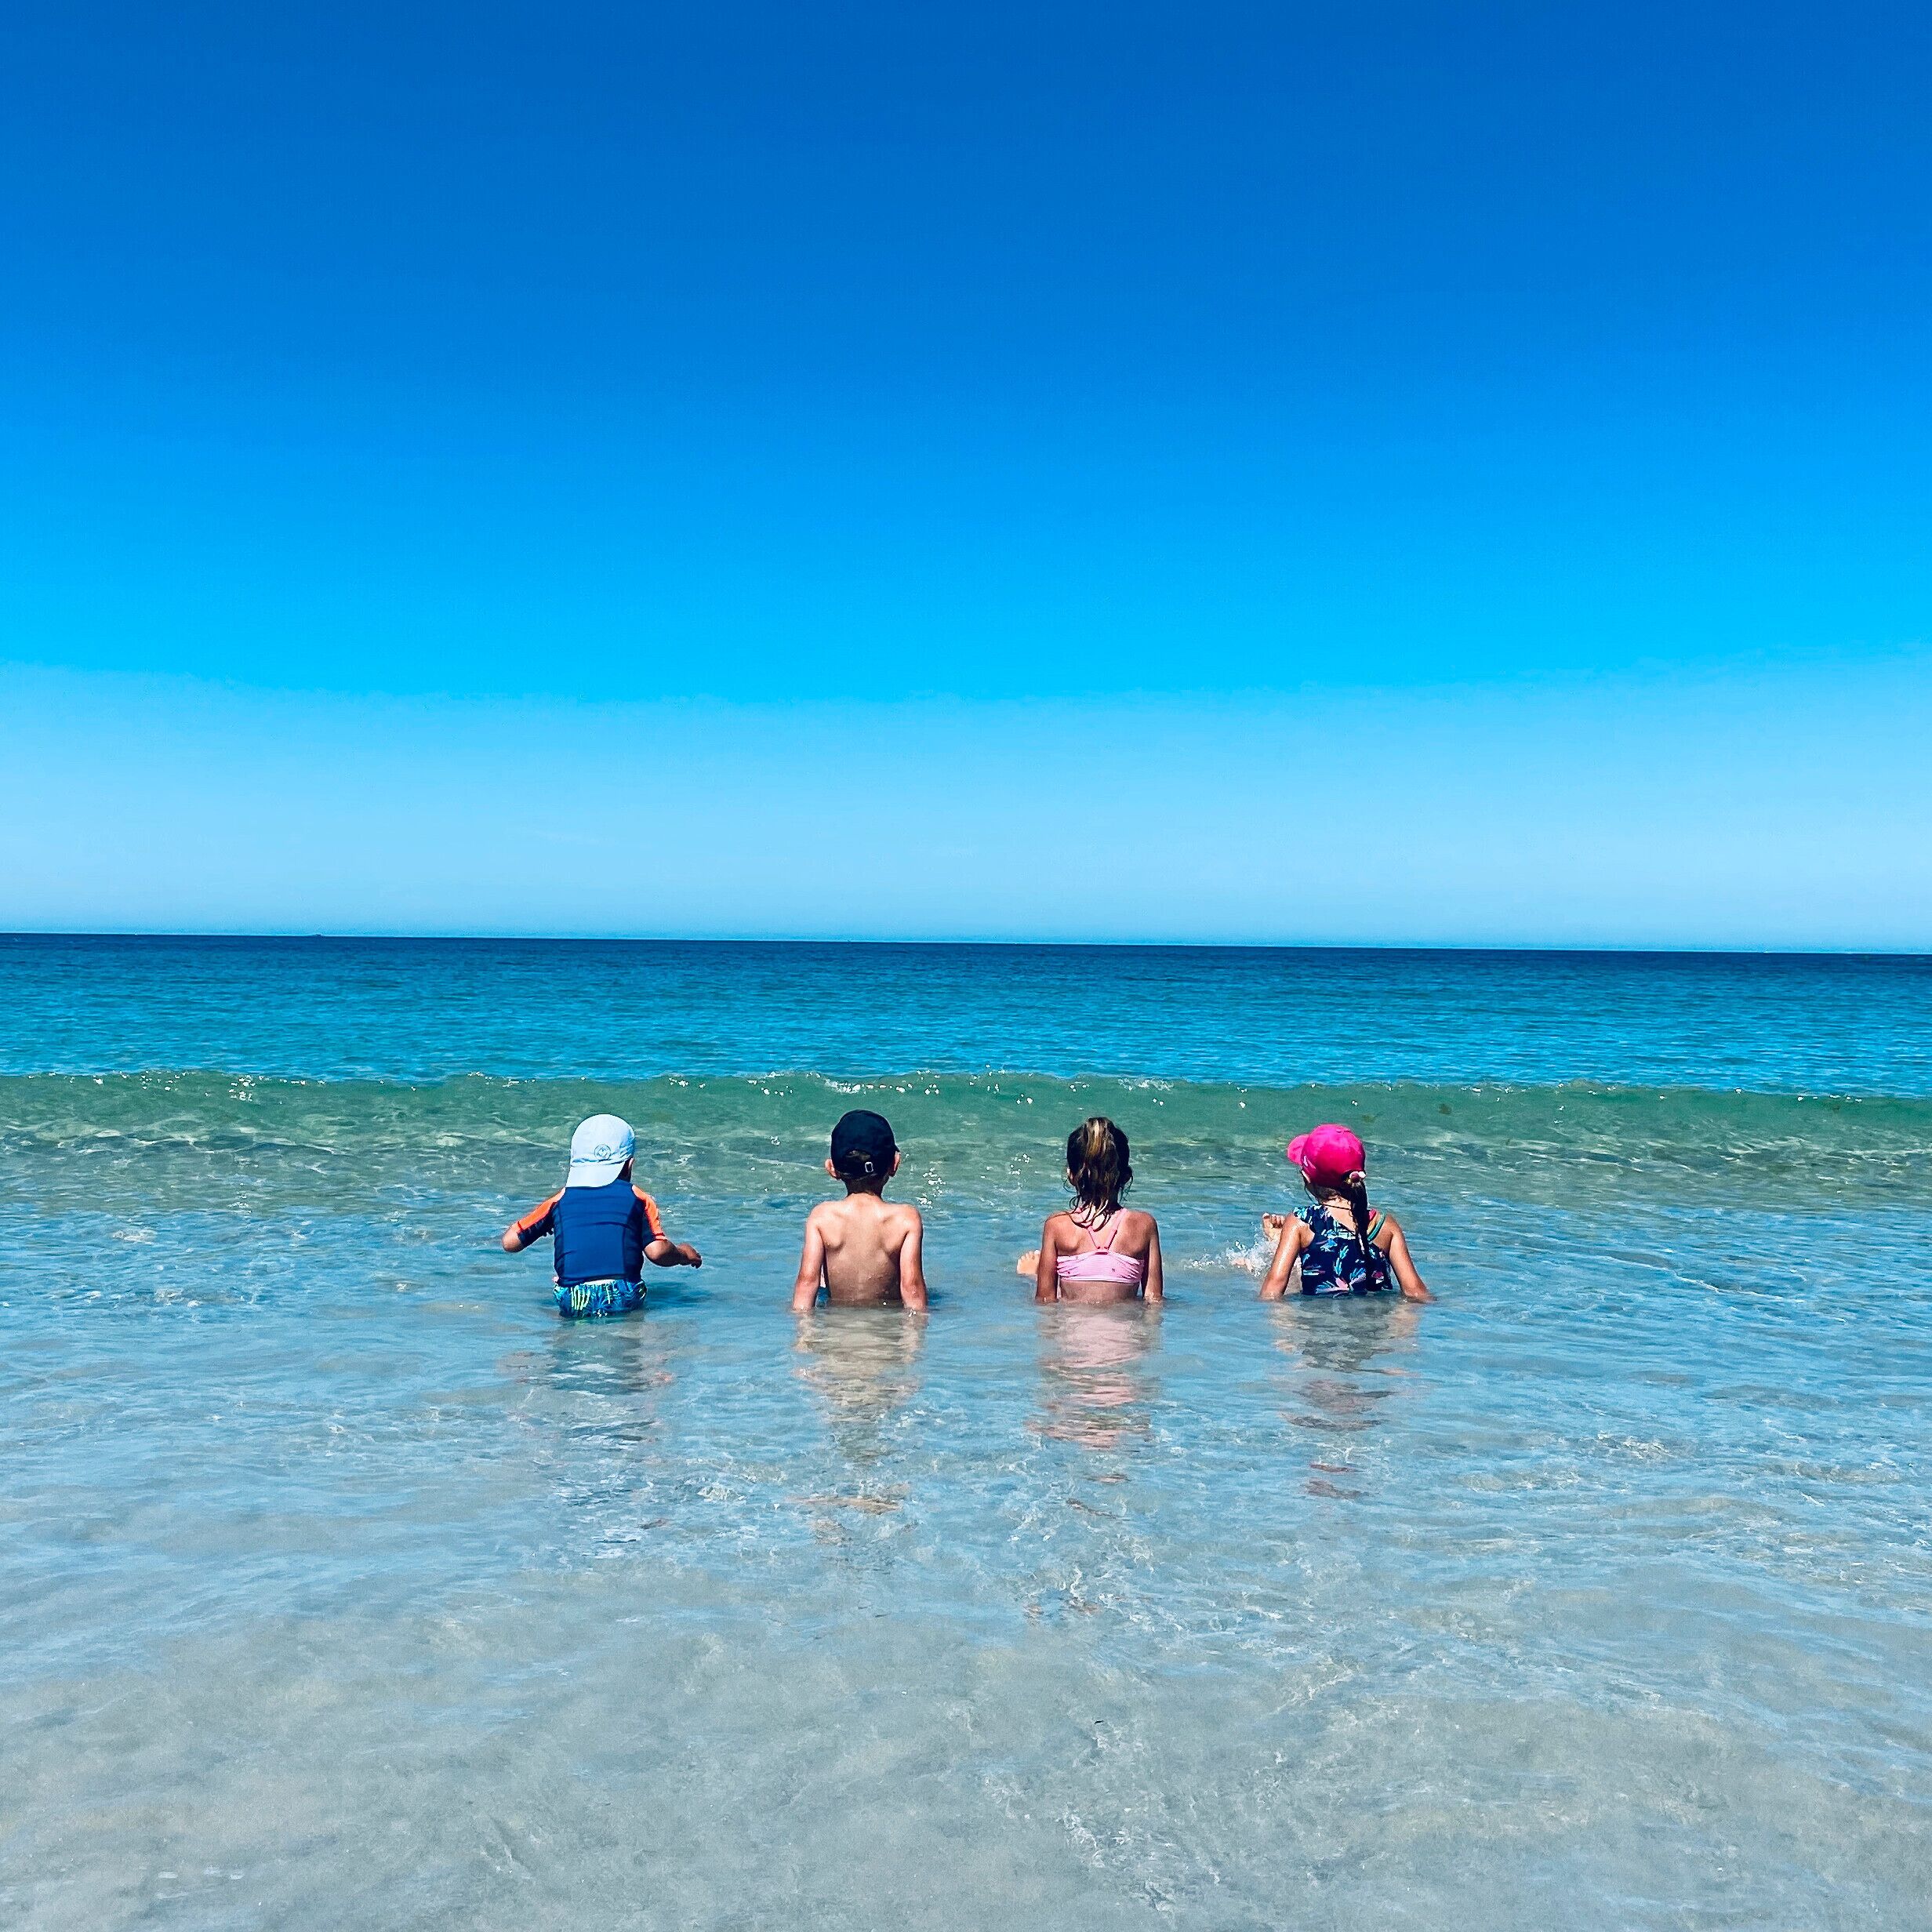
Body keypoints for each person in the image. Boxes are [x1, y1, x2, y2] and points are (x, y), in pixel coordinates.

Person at [501, 1113, 702, 1317]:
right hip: (623, 1294)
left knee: (568, 1295)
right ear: (630, 1164)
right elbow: (658, 1253)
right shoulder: (637, 1197)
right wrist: (683, 1254)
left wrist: (545, 1227)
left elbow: (510, 1243)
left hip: (573, 1296)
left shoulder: (559, 1200)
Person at [1259, 1123, 1432, 1302]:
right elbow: (1415, 1292)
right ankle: (1275, 1241)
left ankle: (1275, 1242)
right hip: (1374, 1326)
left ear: (1307, 1177)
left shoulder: (1301, 1222)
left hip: (1318, 1325)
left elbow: (1273, 1289)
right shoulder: (1385, 1225)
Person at [790, 1109, 928, 1311]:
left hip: (836, 1336)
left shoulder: (822, 1217)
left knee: (820, 1281)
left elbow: (806, 1284)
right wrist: (913, 1340)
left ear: (832, 1169)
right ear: (894, 1164)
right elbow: (912, 1289)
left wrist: (804, 1338)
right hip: (885, 1335)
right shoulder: (905, 1220)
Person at [1027, 1117, 1163, 1305]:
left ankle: (1033, 1273)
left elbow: (1045, 1301)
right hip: (1128, 1334)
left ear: (1071, 1176)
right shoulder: (1144, 1226)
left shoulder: (1057, 1226)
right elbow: (1154, 1301)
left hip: (1073, 1332)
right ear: (1126, 1176)